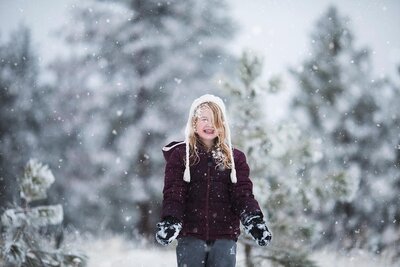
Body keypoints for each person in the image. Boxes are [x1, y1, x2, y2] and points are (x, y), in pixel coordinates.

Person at [155, 94, 272, 267]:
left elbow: (243, 194)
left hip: (224, 235)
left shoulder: (235, 158)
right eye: (204, 119)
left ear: (223, 125)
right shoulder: (180, 156)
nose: (210, 125)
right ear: (193, 122)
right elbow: (174, 193)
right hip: (190, 234)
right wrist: (171, 220)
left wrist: (253, 219)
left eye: (216, 120)